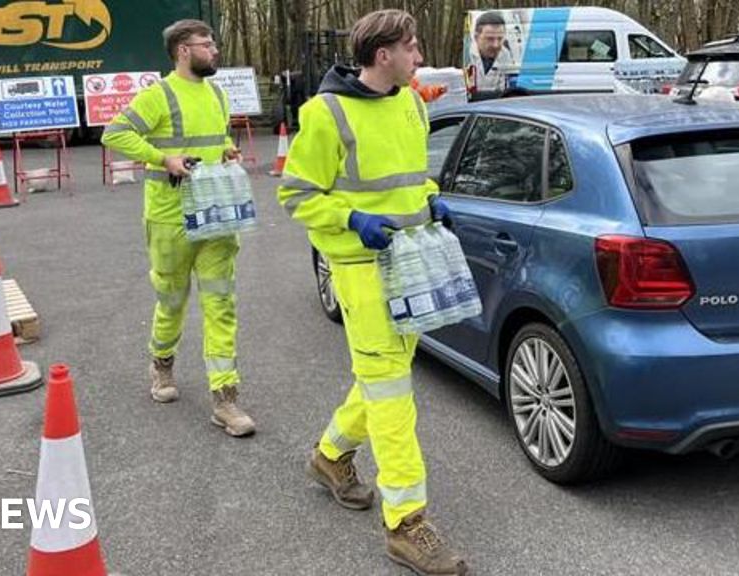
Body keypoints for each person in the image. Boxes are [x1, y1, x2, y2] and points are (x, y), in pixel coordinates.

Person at [277, 9, 467, 576]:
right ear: (383, 55)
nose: (418, 56)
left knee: (385, 378)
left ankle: (331, 456)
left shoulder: (410, 102)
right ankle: (406, 523)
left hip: (411, 261)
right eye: (411, 47)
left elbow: (409, 174)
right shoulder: (325, 113)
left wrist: (432, 196)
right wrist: (351, 216)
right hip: (362, 269)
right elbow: (296, 194)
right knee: (391, 393)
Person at [101, 19, 255, 437]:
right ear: (183, 50)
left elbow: (216, 138)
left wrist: (226, 152)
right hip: (170, 217)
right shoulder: (159, 96)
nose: (216, 50)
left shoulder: (218, 95)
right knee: (171, 301)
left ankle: (225, 399)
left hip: (216, 215)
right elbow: (114, 134)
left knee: (221, 304)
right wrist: (162, 158)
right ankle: (162, 365)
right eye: (207, 44)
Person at [467, 11, 516, 95]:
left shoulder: (506, 55)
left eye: (500, 39)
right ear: (476, 37)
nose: (496, 45)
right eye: (490, 39)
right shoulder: (466, 55)